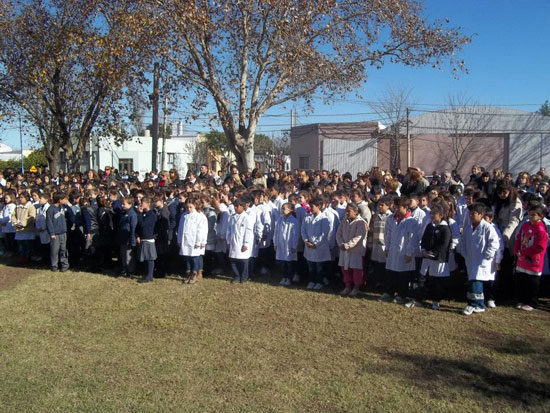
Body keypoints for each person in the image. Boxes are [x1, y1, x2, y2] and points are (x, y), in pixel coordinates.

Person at [461, 203, 500, 316]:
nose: (471, 216)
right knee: (472, 281)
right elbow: (463, 242)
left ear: (481, 214)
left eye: (474, 214)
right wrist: (464, 253)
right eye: (470, 214)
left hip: (482, 260)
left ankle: (476, 304)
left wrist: (488, 255)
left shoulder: (487, 227)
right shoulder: (468, 227)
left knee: (476, 282)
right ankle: (476, 303)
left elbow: (494, 243)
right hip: (470, 259)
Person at [380, 196, 420, 305]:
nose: (396, 209)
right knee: (390, 273)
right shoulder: (391, 219)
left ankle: (402, 295)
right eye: (395, 207)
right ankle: (389, 292)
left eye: (399, 207)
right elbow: (387, 234)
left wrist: (409, 253)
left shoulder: (411, 221)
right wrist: (387, 247)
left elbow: (413, 239)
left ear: (406, 207)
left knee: (403, 276)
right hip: (393, 250)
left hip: (404, 252)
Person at [513, 204, 549, 311]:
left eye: (533, 215)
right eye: (529, 214)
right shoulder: (525, 225)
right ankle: (521, 299)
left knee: (532, 282)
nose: (530, 217)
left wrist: (525, 252)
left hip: (533, 260)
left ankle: (532, 302)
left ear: (540, 216)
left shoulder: (541, 230)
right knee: (521, 279)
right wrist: (516, 250)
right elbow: (519, 237)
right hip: (522, 258)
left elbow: (540, 247)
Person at [417, 205, 452, 310]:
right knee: (422, 278)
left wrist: (434, 252)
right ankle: (418, 299)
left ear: (441, 215)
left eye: (434, 214)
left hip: (438, 259)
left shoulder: (445, 228)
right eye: (431, 214)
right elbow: (424, 239)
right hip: (427, 257)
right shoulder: (429, 226)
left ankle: (436, 301)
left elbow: (444, 244)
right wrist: (423, 250)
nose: (431, 216)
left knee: (436, 281)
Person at [336, 203, 368, 297]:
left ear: (355, 211)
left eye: (349, 211)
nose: (347, 213)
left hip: (356, 250)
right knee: (345, 269)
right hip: (344, 250)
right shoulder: (344, 221)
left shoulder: (361, 222)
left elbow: (358, 237)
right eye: (346, 211)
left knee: (356, 270)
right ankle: (347, 286)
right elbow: (338, 233)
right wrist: (341, 244)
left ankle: (356, 287)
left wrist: (348, 245)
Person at [177, 195, 208, 284]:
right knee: (187, 257)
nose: (189, 209)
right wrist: (179, 240)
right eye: (187, 207)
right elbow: (180, 229)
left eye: (191, 207)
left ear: (195, 205)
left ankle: (195, 273)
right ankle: (188, 272)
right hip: (185, 240)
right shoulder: (184, 215)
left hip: (195, 241)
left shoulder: (199, 216)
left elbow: (201, 230)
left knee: (194, 257)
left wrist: (200, 241)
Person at [301, 197, 330, 290]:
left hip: (319, 247)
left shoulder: (324, 219)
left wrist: (315, 244)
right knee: (311, 266)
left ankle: (319, 281)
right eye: (310, 206)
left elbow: (324, 233)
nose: (310, 208)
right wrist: (306, 241)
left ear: (319, 206)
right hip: (309, 245)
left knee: (319, 267)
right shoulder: (307, 218)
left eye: (312, 206)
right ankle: (312, 280)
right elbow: (303, 230)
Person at [226, 198, 253, 283]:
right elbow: (229, 230)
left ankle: (244, 277)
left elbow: (248, 232)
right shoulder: (232, 217)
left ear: (242, 207)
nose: (235, 208)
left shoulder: (246, 218)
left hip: (242, 243)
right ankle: (236, 276)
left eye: (237, 206)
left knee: (243, 261)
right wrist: (228, 241)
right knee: (233, 261)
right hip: (233, 242)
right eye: (234, 206)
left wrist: (245, 244)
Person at [369, 196, 393, 289]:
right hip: (376, 244)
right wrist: (370, 243)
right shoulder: (375, 216)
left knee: (384, 264)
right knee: (377, 264)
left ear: (388, 206)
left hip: (385, 244)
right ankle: (378, 282)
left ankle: (385, 283)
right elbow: (371, 230)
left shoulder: (390, 217)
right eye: (379, 205)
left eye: (382, 205)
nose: (380, 207)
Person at [273, 202, 299, 287]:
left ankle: (289, 278)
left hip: (289, 245)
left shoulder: (294, 221)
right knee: (282, 263)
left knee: (289, 263)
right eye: (282, 208)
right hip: (281, 244)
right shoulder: (280, 219)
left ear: (291, 210)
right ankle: (284, 277)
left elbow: (296, 234)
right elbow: (276, 232)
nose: (282, 210)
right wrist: (275, 243)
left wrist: (294, 245)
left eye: (285, 208)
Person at [46, 192, 70, 272]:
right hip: (55, 234)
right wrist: (52, 233)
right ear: (60, 200)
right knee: (54, 250)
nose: (66, 200)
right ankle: (54, 265)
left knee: (63, 249)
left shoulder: (62, 207)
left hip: (63, 232)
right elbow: (49, 222)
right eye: (64, 199)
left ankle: (64, 264)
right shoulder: (51, 209)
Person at [136, 196, 158, 283]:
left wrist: (139, 214)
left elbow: (143, 224)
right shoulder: (145, 213)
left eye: (143, 202)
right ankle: (147, 274)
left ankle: (150, 276)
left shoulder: (151, 214)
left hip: (148, 238)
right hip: (142, 238)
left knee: (150, 258)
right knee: (145, 257)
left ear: (148, 204)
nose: (141, 204)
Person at [117, 195, 137, 277]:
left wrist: (132, 240)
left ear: (130, 204)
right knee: (123, 254)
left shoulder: (132, 214)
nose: (122, 205)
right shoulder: (124, 213)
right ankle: (124, 268)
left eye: (124, 204)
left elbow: (133, 228)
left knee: (128, 255)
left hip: (128, 238)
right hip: (123, 237)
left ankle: (130, 270)